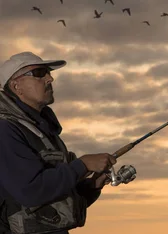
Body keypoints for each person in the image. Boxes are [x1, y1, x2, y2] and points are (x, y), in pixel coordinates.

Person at [0, 52, 118, 234]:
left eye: (48, 73)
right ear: (16, 86)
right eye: (39, 73)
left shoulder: (44, 131)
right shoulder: (5, 130)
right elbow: (31, 191)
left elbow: (53, 200)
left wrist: (90, 187)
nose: (50, 78)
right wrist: (83, 165)